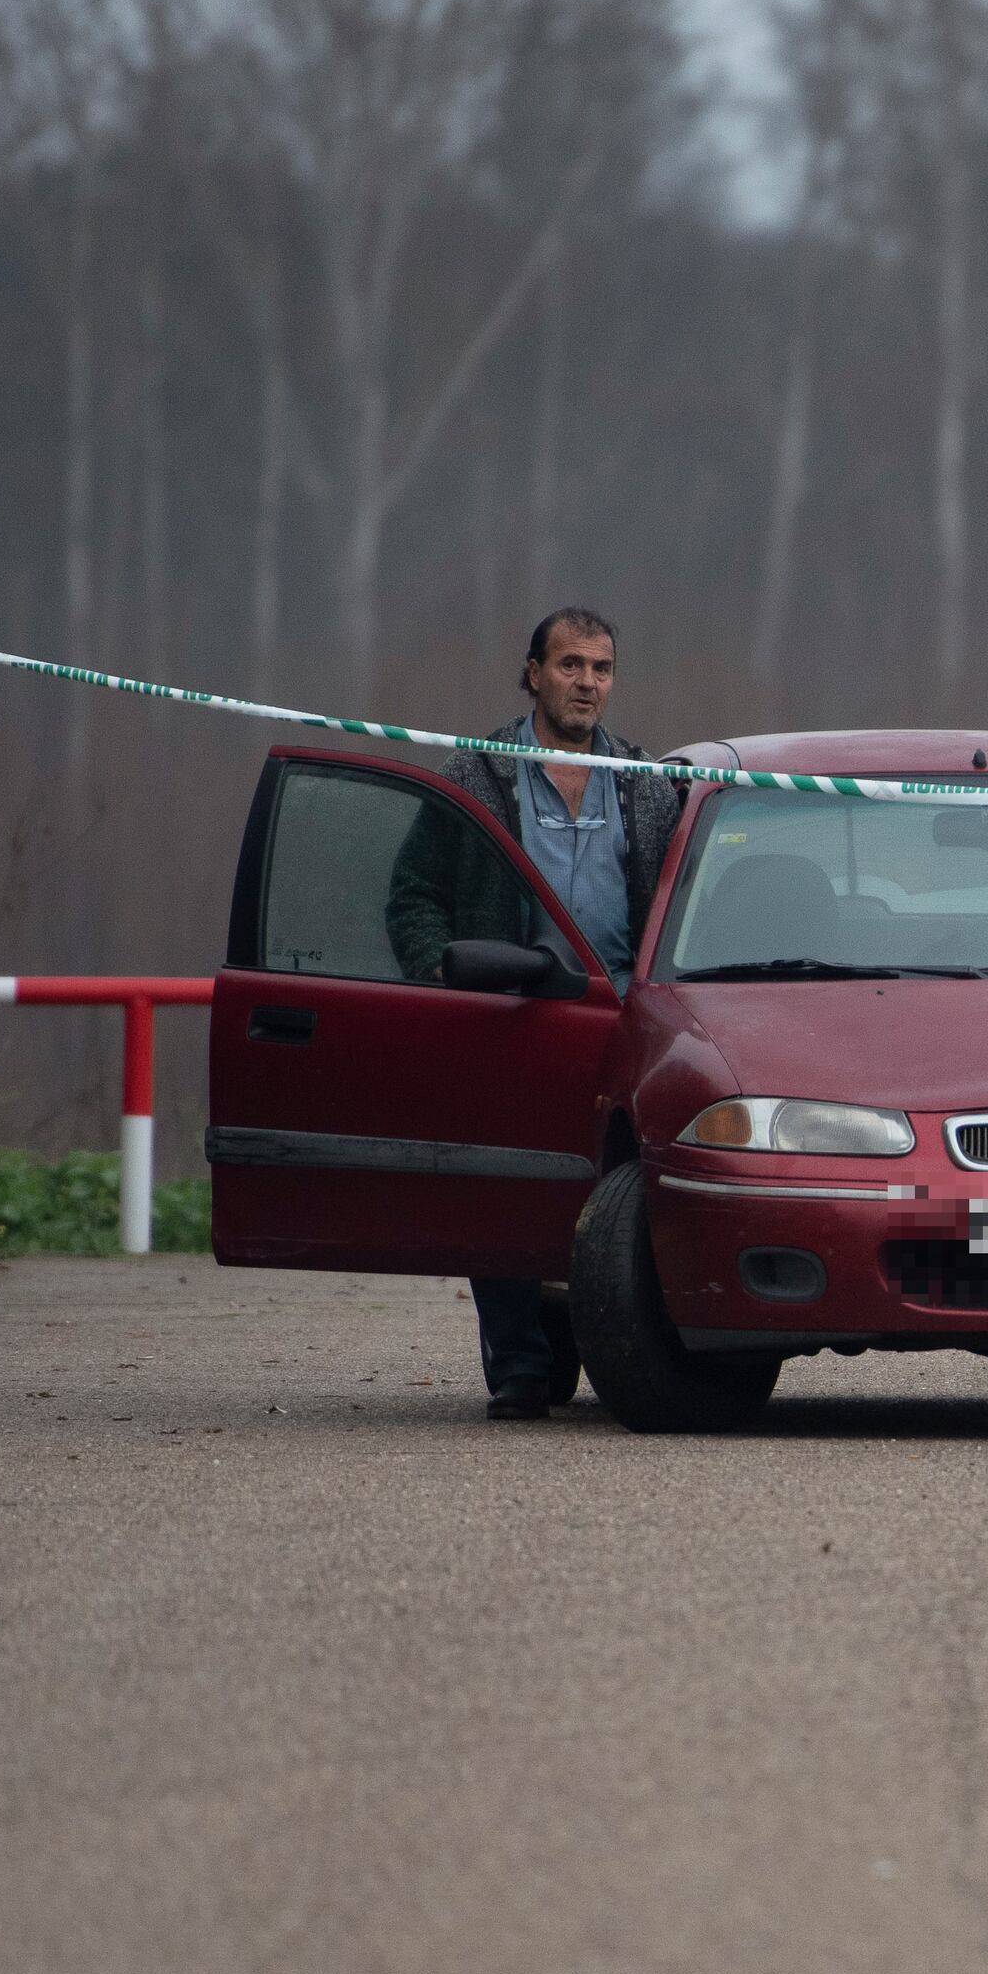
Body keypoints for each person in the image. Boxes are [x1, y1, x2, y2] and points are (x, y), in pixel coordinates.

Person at [387, 607, 690, 1420]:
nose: (586, 682)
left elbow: (682, 897)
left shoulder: (647, 784)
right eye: (569, 666)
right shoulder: (477, 777)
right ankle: (521, 1366)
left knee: (619, 1191)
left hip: (625, 1019)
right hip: (513, 1014)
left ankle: (615, 1352)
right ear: (532, 672)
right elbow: (413, 896)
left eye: (600, 668)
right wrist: (445, 976)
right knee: (508, 1187)